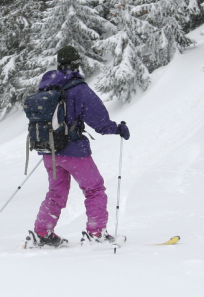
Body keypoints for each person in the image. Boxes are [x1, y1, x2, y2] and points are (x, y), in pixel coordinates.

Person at [32, 46, 130, 247]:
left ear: (59, 63)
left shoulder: (46, 87)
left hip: (49, 151)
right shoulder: (78, 89)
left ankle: (42, 232)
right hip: (74, 151)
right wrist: (118, 129)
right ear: (77, 63)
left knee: (56, 192)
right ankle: (96, 233)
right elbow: (100, 122)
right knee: (94, 188)